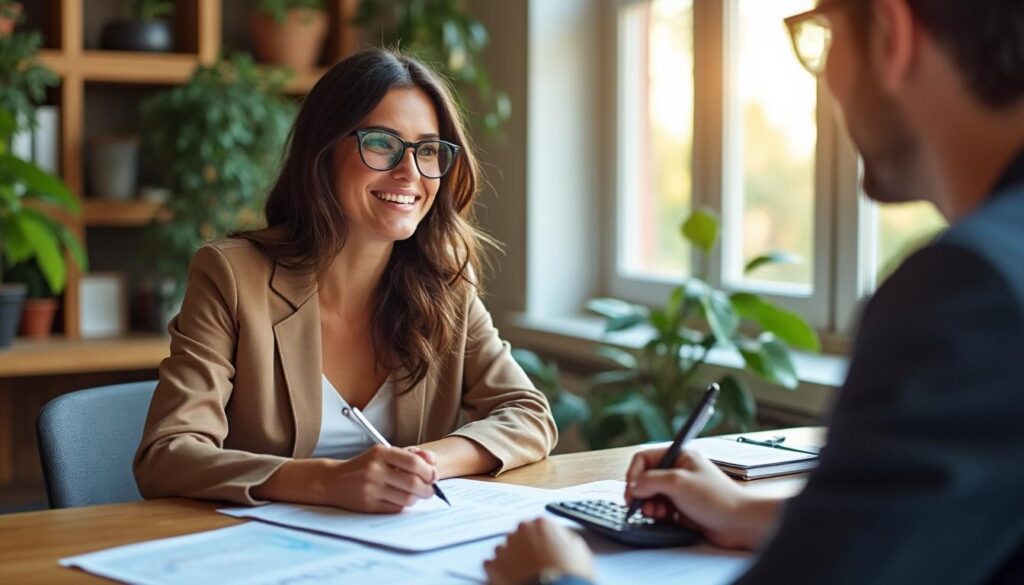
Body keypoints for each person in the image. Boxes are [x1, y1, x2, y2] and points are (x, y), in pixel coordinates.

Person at [486, 0, 1024, 582]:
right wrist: (747, 512)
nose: (826, 79)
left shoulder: (971, 291)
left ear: (891, 35)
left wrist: (554, 577)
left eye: (822, 37)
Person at [133, 48, 558, 513]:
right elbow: (167, 455)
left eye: (428, 150)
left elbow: (528, 414)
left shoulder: (445, 281)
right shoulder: (232, 276)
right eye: (381, 143)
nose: (410, 172)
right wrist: (326, 481)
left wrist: (422, 464)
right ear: (324, 152)